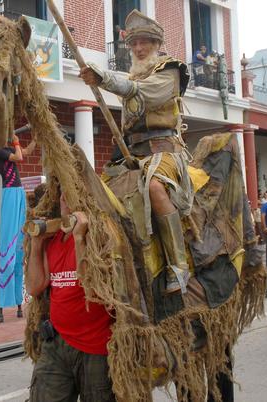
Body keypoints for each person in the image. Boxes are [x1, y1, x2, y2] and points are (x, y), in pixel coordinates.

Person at [80, 9, 191, 295]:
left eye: (145, 43)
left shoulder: (170, 70)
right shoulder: (134, 74)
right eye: (134, 44)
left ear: (156, 45)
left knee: (155, 187)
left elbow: (139, 92)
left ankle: (179, 265)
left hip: (164, 150)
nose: (139, 48)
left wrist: (103, 78)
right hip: (133, 153)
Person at [26, 191, 115, 401]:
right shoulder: (53, 239)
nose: (66, 202)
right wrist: (37, 244)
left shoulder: (102, 237)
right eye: (63, 197)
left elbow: (93, 290)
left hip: (96, 347)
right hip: (56, 343)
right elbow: (34, 286)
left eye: (71, 196)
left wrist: (79, 238)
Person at [0, 132, 36, 323]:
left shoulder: (8, 148)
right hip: (10, 193)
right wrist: (16, 140)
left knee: (20, 244)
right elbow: (19, 156)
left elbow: (25, 151)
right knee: (9, 250)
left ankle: (19, 301)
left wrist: (36, 138)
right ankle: (4, 302)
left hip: (18, 192)